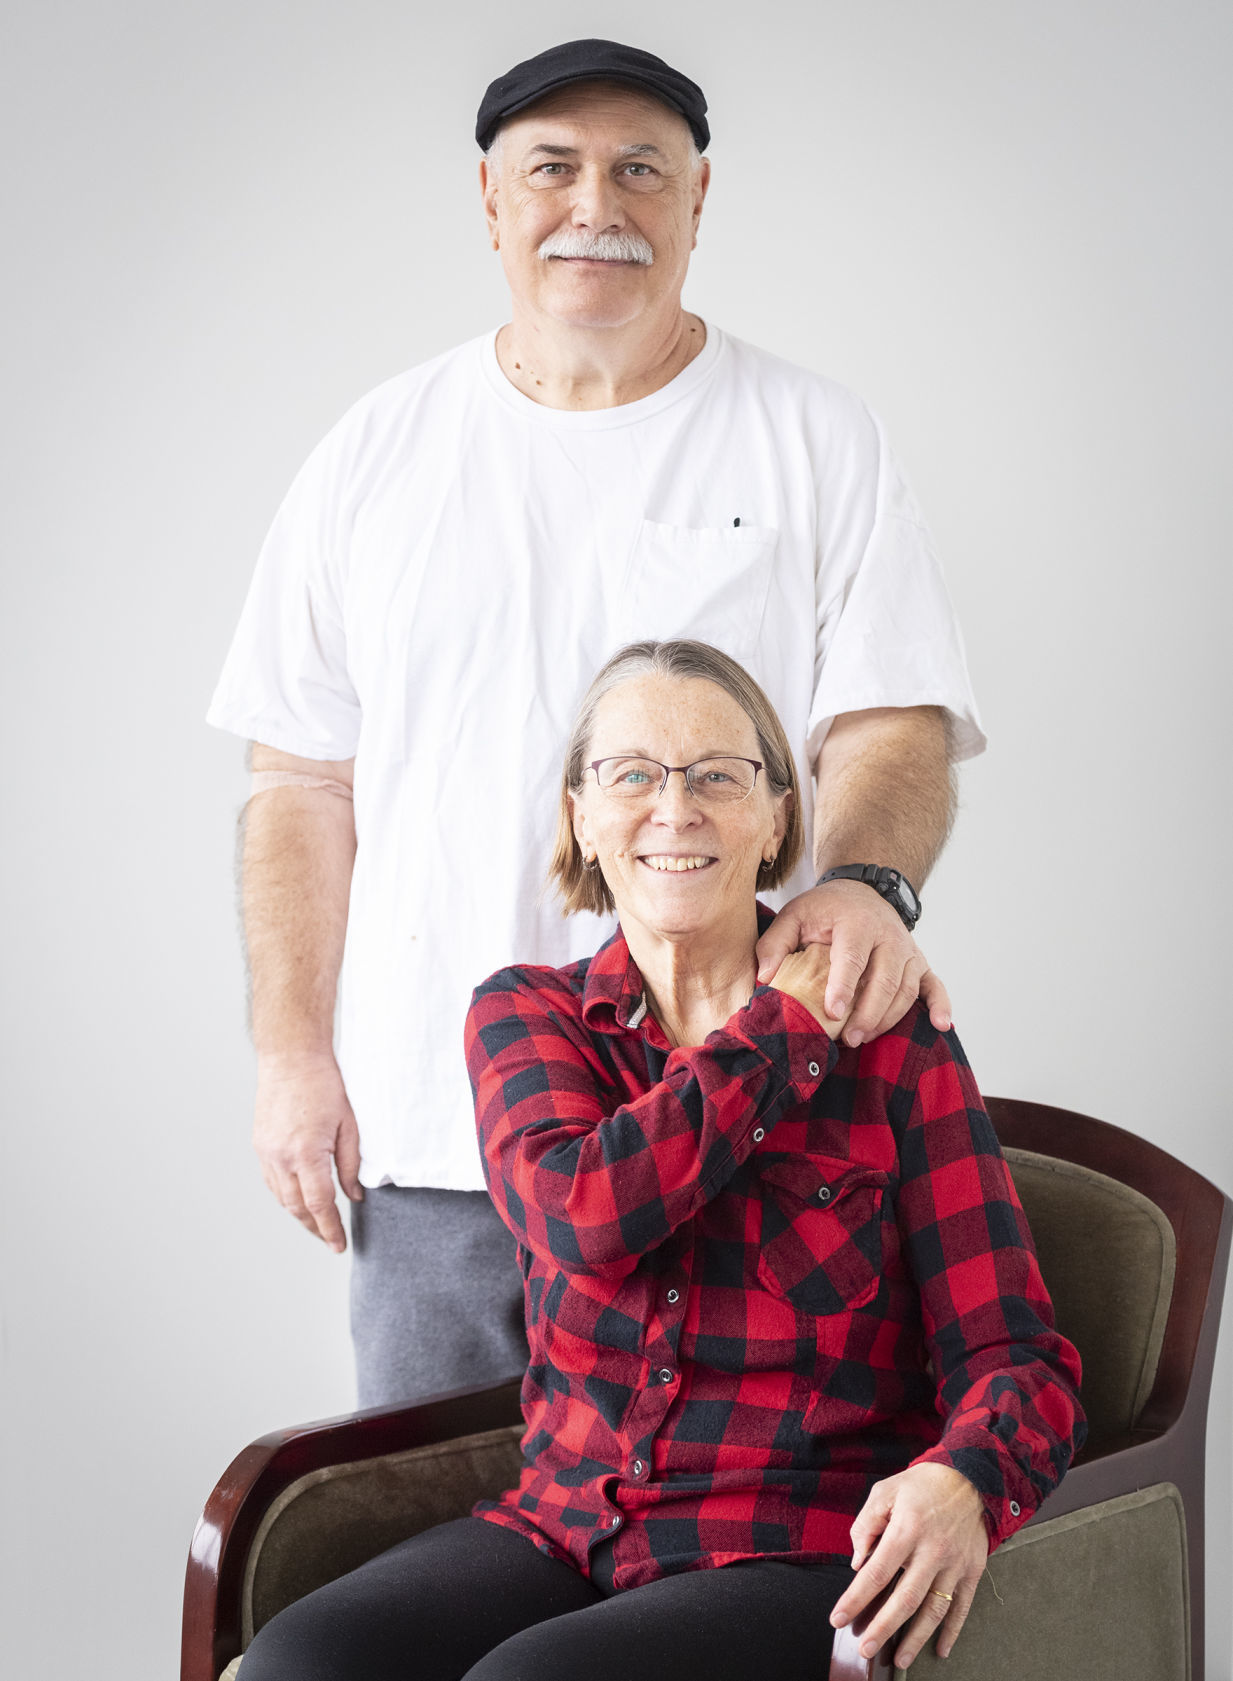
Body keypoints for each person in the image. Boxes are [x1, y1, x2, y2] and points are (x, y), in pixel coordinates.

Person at [207, 38, 986, 1407]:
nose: (595, 206)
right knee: (426, 1514)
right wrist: (290, 1053)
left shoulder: (814, 437)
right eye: (552, 169)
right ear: (490, 199)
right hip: (442, 1140)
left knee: (716, 1511)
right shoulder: (375, 456)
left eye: (639, 170)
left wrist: (868, 883)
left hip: (737, 1118)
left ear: (699, 197)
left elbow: (890, 721)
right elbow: (300, 783)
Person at [237, 640, 1081, 1681]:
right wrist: (783, 1028)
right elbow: (585, 1212)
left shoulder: (889, 1038)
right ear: (582, 817)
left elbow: (1017, 1355)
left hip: (790, 1547)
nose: (674, 809)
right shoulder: (526, 1016)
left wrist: (966, 1481)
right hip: (562, 1528)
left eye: (718, 776)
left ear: (777, 817)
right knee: (299, 1663)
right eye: (632, 774)